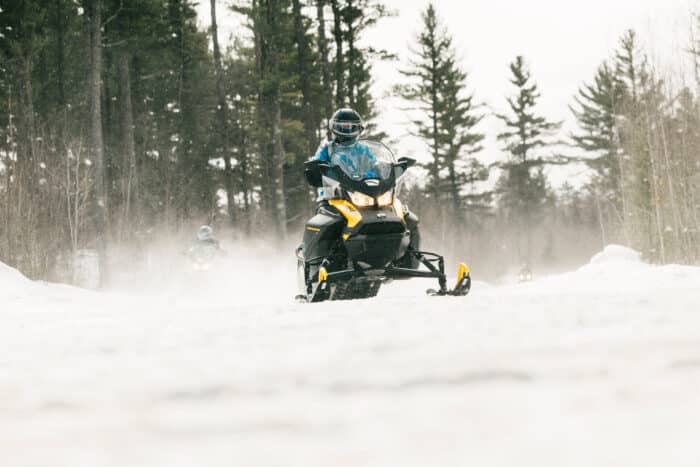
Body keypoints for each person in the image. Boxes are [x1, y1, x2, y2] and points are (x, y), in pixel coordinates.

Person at [311, 108, 422, 268]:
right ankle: (322, 266)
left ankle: (409, 259)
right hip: (335, 196)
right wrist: (317, 168)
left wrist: (389, 171)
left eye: (351, 126)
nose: (347, 129)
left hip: (364, 192)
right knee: (331, 223)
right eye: (343, 126)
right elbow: (317, 165)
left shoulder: (363, 150)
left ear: (358, 128)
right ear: (334, 128)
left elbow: (375, 165)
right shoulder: (327, 149)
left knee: (408, 217)